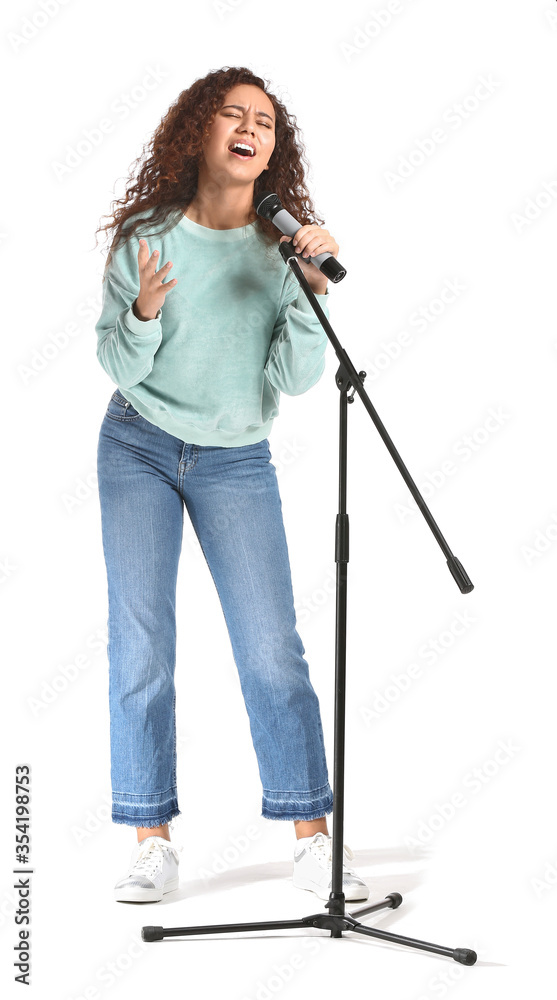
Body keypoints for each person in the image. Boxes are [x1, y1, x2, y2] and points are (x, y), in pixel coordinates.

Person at [94, 65, 368, 904]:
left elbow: (291, 377)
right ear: (198, 132)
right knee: (141, 645)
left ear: (271, 149)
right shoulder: (146, 234)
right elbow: (114, 358)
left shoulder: (278, 247)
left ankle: (311, 838)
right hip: (137, 446)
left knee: (270, 650)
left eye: (266, 121)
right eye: (232, 114)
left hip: (236, 458)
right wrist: (142, 311)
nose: (251, 127)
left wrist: (309, 288)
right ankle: (150, 840)